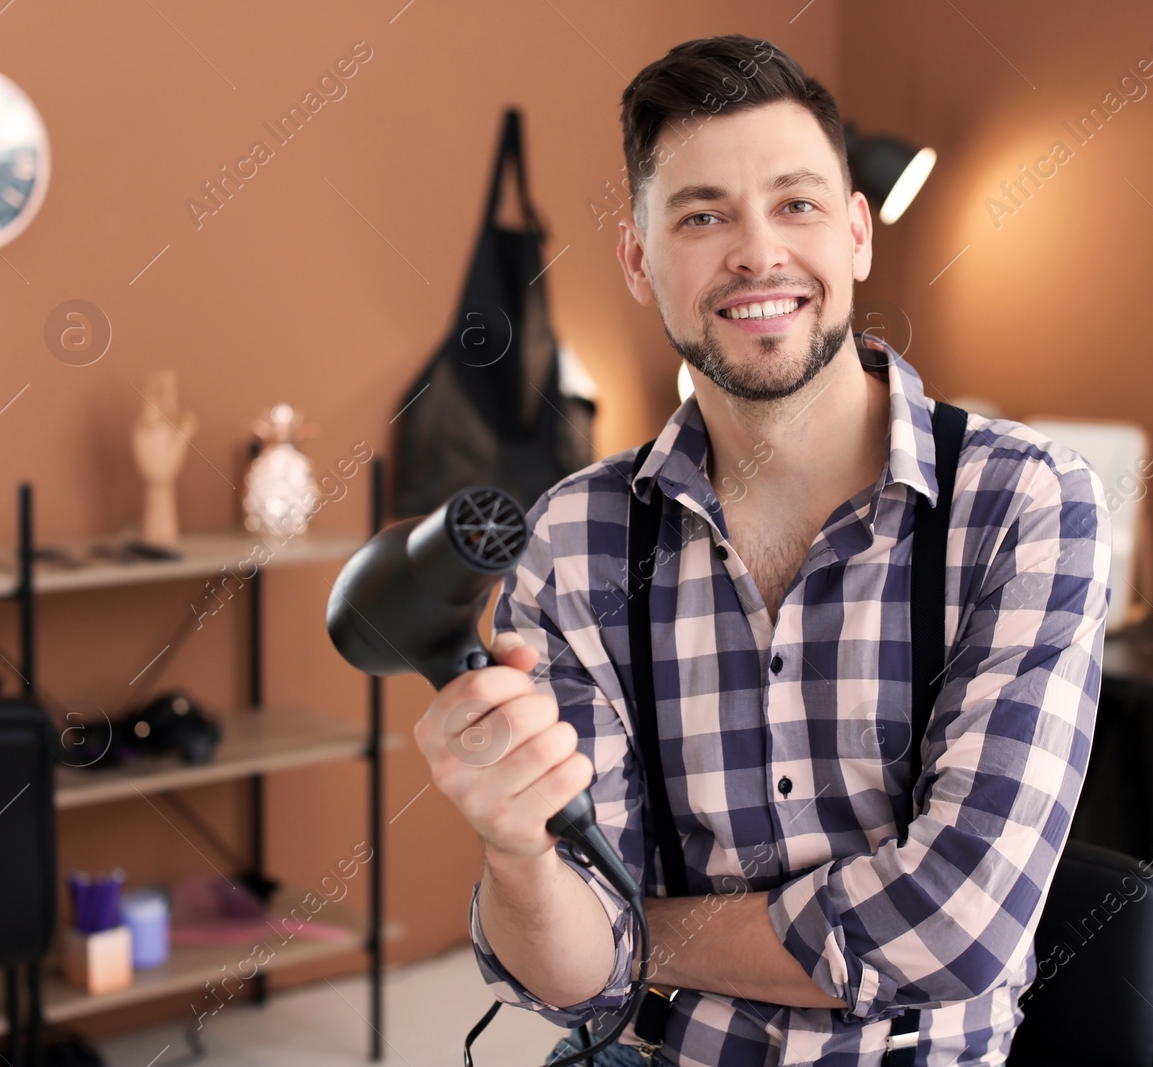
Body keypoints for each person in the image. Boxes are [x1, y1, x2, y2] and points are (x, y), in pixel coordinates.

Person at [412, 33, 1112, 1067]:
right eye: (702, 215)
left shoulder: (1023, 503)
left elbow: (953, 921)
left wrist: (639, 929)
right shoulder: (576, 540)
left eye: (796, 204)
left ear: (858, 235)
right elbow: (568, 978)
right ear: (639, 262)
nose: (756, 253)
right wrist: (516, 852)